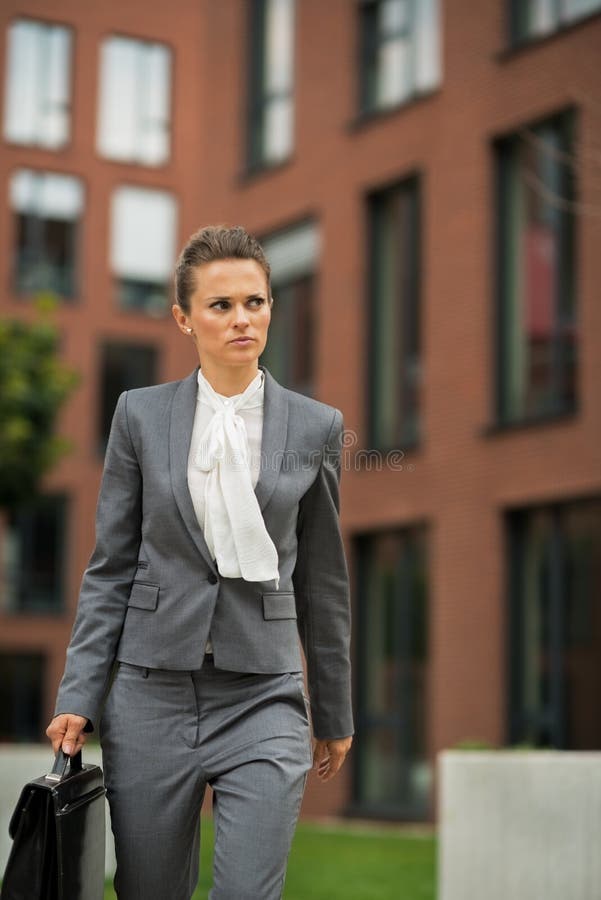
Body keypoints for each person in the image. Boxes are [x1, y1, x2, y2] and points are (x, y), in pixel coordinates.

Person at [46, 224, 353, 900]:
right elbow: (111, 566)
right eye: (220, 305)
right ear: (184, 318)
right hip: (149, 693)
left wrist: (332, 709)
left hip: (263, 694)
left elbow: (322, 579)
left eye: (255, 301)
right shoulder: (139, 416)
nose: (242, 319)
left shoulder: (315, 428)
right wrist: (79, 691)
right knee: (150, 890)